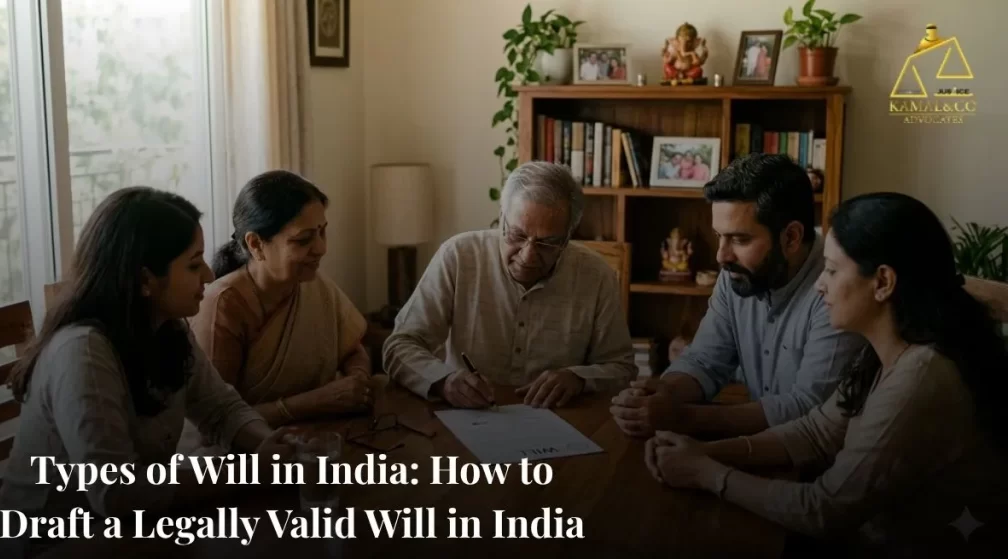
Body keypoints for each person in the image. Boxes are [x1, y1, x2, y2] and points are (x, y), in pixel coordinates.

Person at [646, 192, 1008, 553]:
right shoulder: (883, 350)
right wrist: (707, 452)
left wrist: (706, 474)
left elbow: (824, 509)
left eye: (832, 270)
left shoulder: (922, 375)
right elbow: (817, 430)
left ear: (883, 282)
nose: (820, 285)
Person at [0, 188, 292, 559]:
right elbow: (117, 494)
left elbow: (221, 409)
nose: (209, 274)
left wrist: (269, 446)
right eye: (194, 265)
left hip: (130, 533)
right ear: (145, 280)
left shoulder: (167, 327)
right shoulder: (83, 351)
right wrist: (243, 473)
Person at [610, 154, 864, 438]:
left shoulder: (835, 288)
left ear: (791, 237)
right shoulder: (739, 273)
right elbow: (705, 360)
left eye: (740, 239)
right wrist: (662, 394)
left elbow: (807, 408)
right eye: (720, 235)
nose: (722, 255)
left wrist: (682, 417)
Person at [384, 161, 636, 409]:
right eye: (517, 235)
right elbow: (399, 345)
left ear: (568, 236)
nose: (527, 256)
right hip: (468, 416)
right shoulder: (459, 256)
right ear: (501, 217)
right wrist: (444, 381)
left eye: (547, 243)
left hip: (559, 420)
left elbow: (621, 367)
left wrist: (580, 379)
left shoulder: (595, 275)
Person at [185, 170, 372, 440]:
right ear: (256, 244)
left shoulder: (313, 285)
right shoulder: (223, 306)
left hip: (317, 437)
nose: (321, 248)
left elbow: (353, 349)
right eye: (304, 239)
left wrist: (357, 382)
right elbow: (216, 421)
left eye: (322, 232)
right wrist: (316, 401)